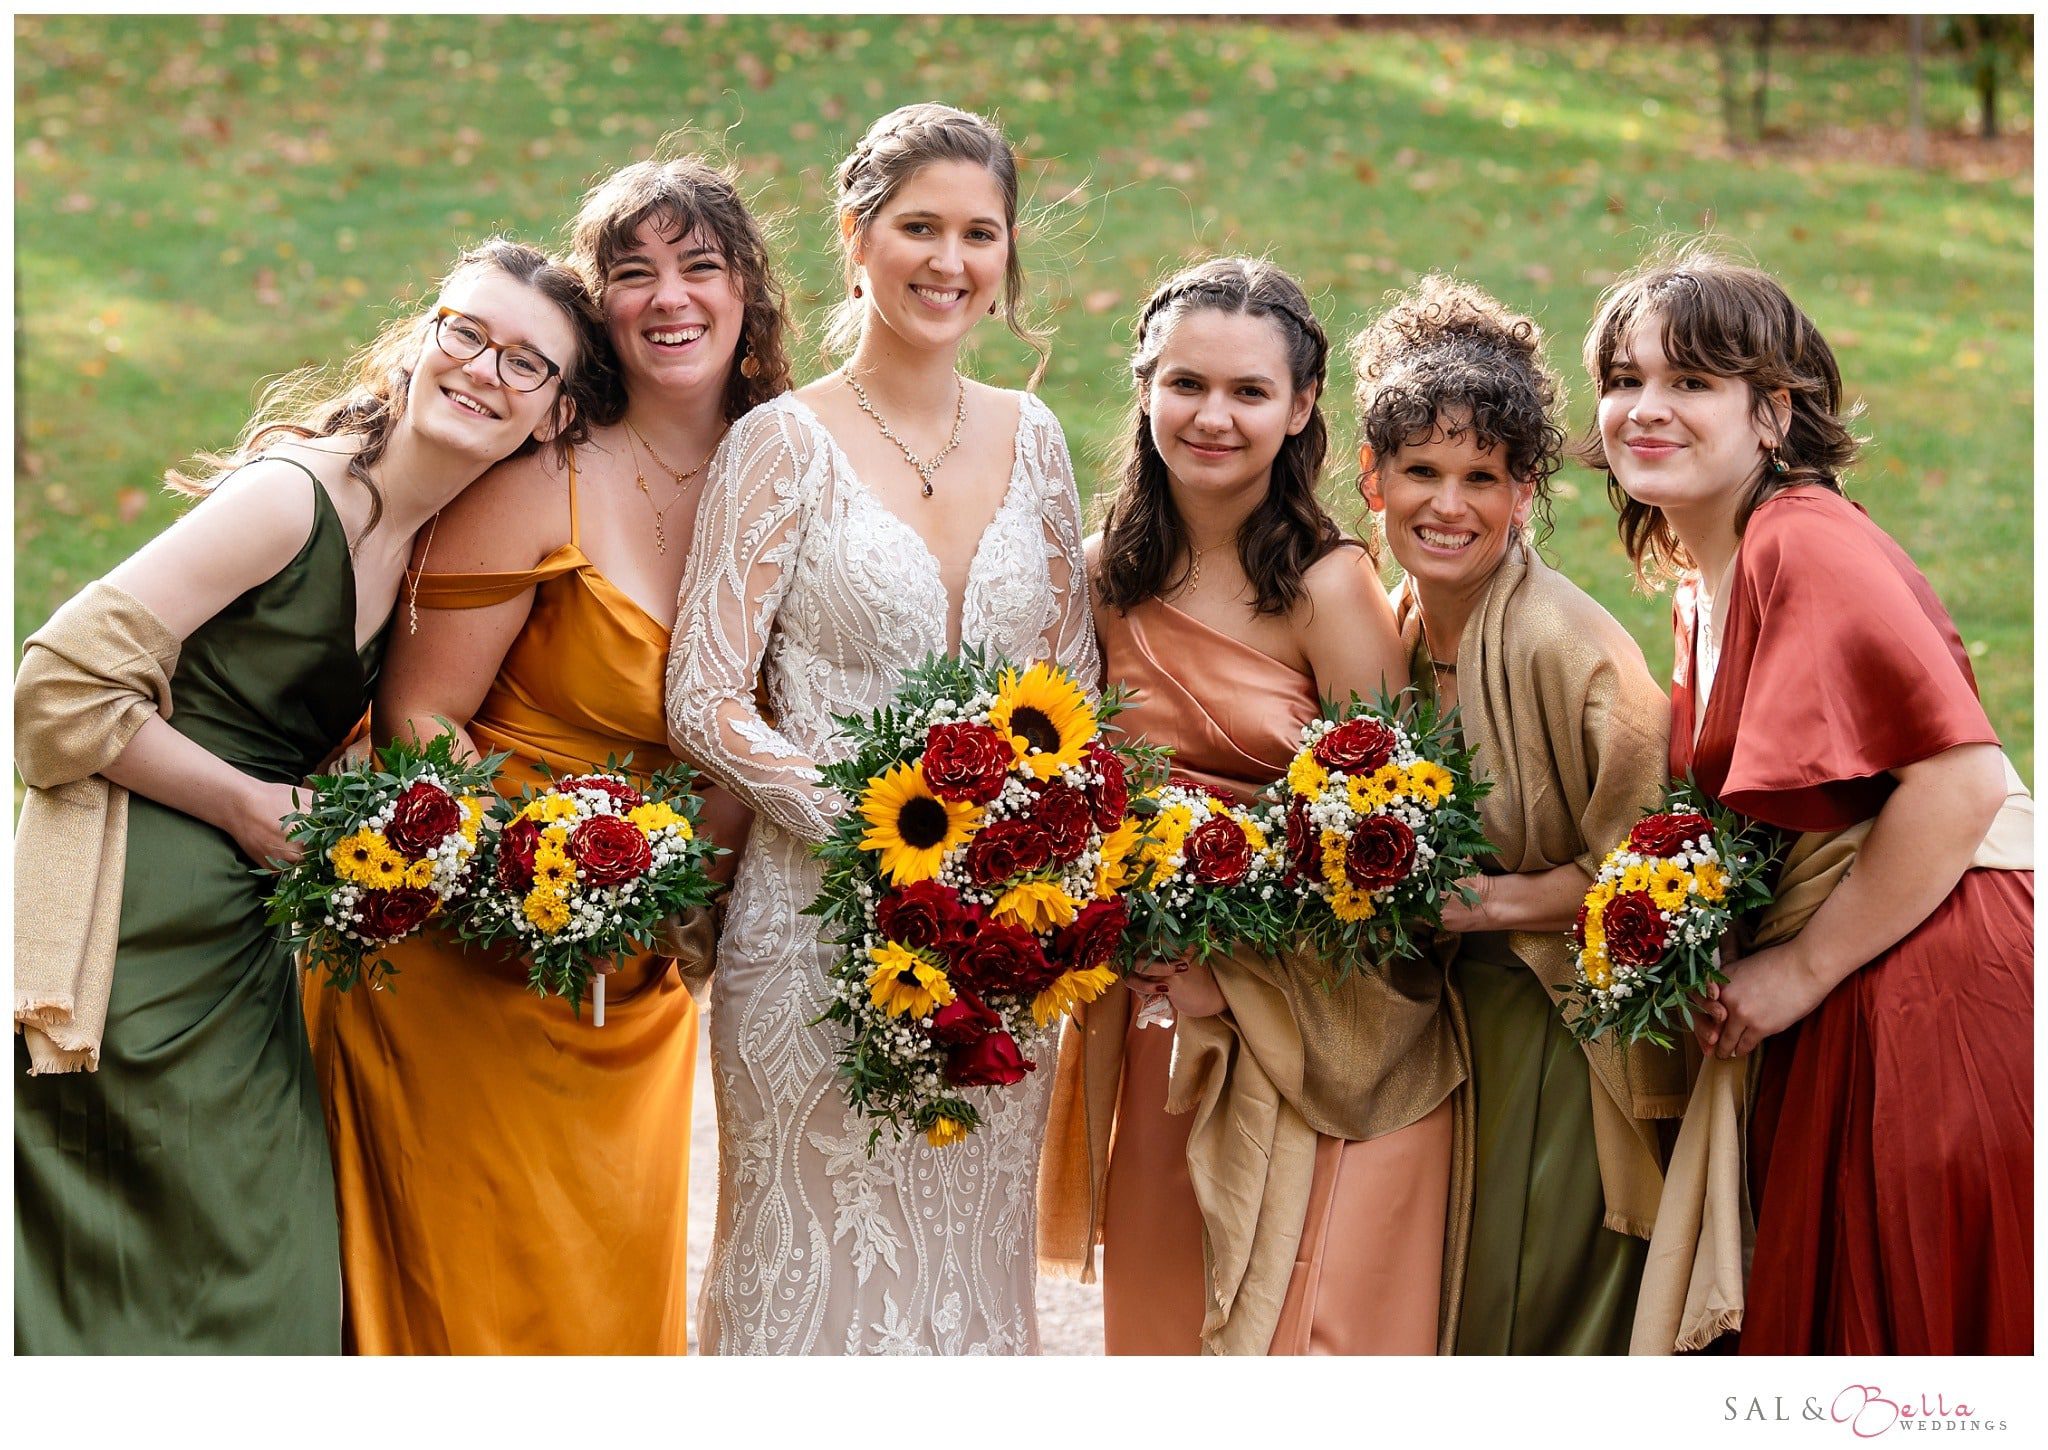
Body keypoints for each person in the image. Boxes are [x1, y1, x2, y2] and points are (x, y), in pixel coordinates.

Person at [14, 238, 600, 1353]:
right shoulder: (295, 500)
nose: (483, 368)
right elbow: (53, 686)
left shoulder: (424, 538)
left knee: (267, 1278)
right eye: (465, 333)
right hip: (128, 927)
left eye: (527, 364)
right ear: (421, 341)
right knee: (185, 1282)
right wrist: (244, 803)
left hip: (231, 938)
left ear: (556, 417)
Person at [300, 156, 792, 1354]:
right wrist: (529, 883)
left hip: (640, 980)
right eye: (632, 272)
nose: (667, 296)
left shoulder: (790, 469)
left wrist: (668, 901)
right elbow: (418, 716)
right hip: (463, 953)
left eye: (698, 266)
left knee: (602, 1310)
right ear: (599, 307)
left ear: (748, 294)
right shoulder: (543, 478)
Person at [665, 102, 1097, 1355]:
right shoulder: (779, 444)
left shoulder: (1037, 439)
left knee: (968, 1280)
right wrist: (873, 832)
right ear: (854, 237)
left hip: (1003, 949)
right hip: (809, 936)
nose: (948, 261)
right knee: (811, 1274)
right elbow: (704, 695)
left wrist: (1024, 855)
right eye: (917, 227)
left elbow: (1068, 680)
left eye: (979, 232)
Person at [1586, 242, 2032, 1355]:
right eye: (1624, 379)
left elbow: (1963, 778)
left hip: (1928, 980)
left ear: (1772, 413)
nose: (1645, 408)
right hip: (1853, 973)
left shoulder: (1803, 540)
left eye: (1688, 383)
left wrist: (1793, 969)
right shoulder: (1705, 576)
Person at [1040, 257, 1456, 1356]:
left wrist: (1232, 964)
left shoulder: (1327, 586)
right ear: (1143, 388)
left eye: (1247, 392)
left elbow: (1392, 837)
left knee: (1270, 1311)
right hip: (1151, 1007)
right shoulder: (1095, 577)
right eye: (1185, 385)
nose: (1211, 417)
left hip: (1288, 1009)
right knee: (1162, 1308)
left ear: (1301, 407)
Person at [1351, 275, 1687, 1354]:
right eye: (1420, 471)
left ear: (1524, 492)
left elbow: (1652, 874)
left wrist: (1479, 904)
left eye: (1481, 477)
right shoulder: (1386, 626)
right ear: (1372, 477)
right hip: (1440, 1026)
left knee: (1517, 1305)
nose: (1447, 504)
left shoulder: (1567, 649)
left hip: (1554, 1024)